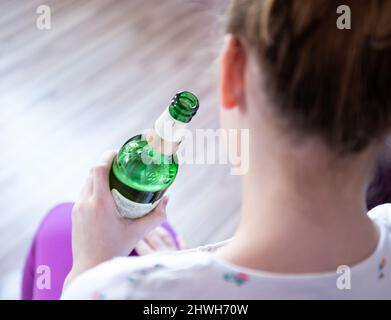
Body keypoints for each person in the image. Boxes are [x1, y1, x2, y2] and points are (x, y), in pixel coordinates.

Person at [24, 0, 391, 299]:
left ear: (233, 71)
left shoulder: (114, 291)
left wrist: (91, 268)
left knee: (59, 225)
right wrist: (178, 267)